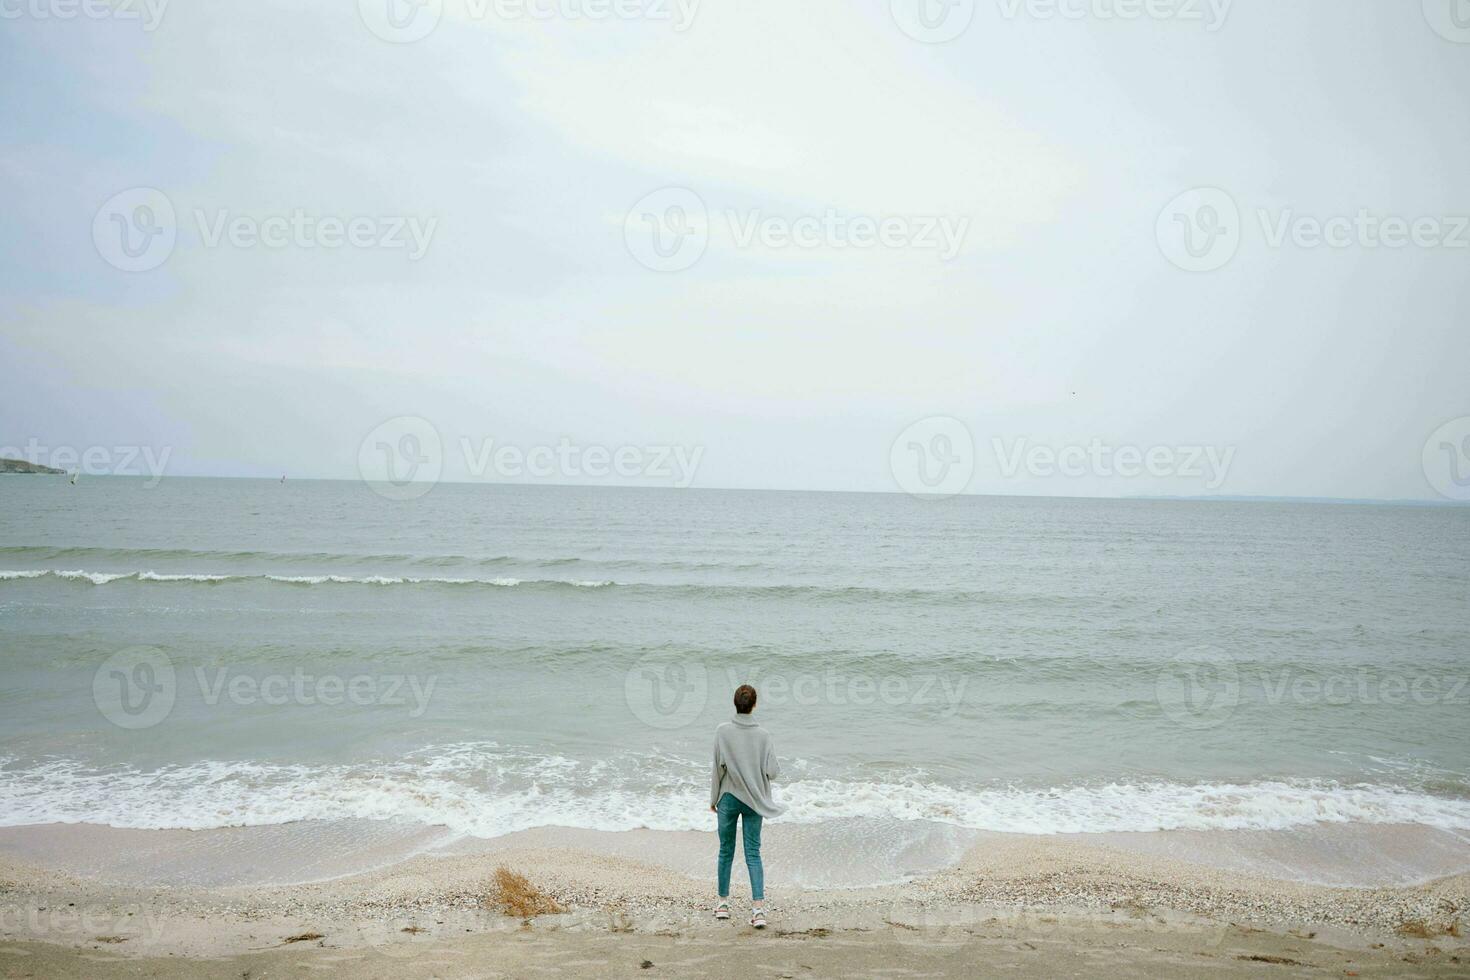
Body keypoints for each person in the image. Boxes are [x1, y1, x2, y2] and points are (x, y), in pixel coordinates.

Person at [709, 683, 783, 929]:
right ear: (754, 705)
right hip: (754, 800)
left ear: (735, 704)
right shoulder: (763, 735)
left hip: (728, 797)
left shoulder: (722, 731)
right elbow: (772, 772)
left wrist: (713, 799)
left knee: (725, 851)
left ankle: (722, 904)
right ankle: (758, 910)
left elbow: (717, 767)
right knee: (753, 853)